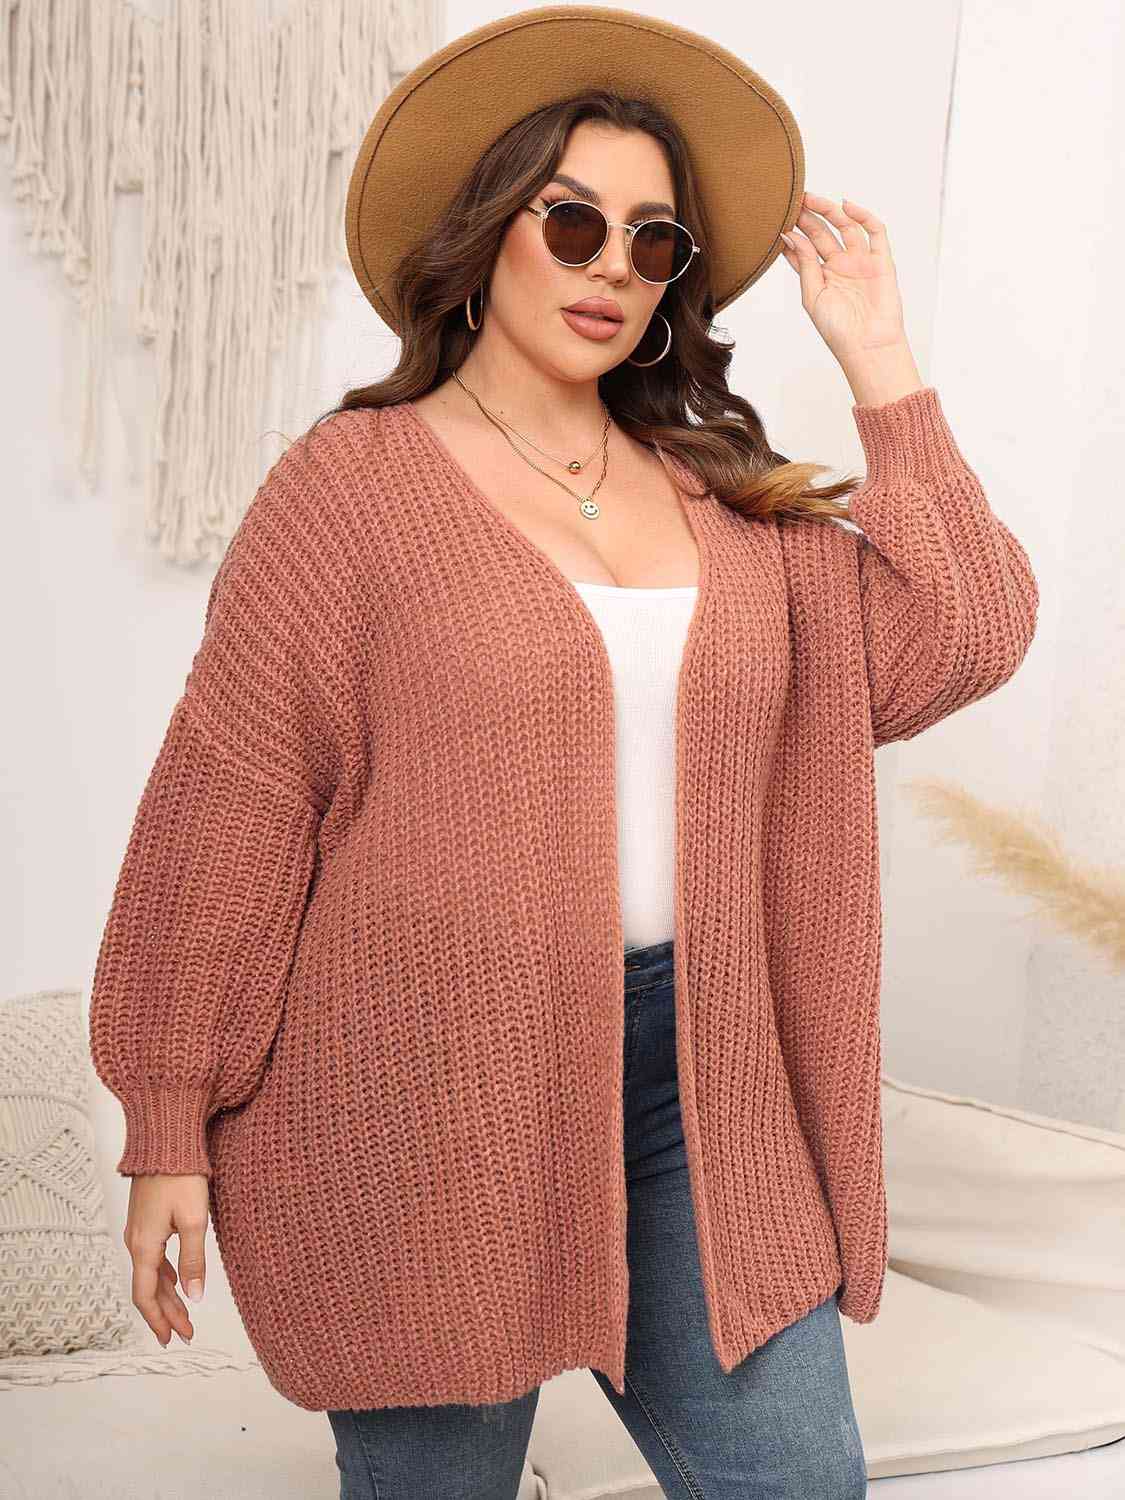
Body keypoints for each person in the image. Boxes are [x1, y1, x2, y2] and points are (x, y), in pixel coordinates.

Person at [88, 9, 1039, 1499]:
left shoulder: (729, 505)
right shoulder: (349, 489)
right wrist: (167, 1122)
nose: (610, 267)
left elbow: (964, 633)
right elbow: (232, 814)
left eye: (653, 243)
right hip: (418, 1086)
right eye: (574, 221)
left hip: (699, 1078)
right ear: (486, 236)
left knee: (797, 1480)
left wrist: (882, 367)